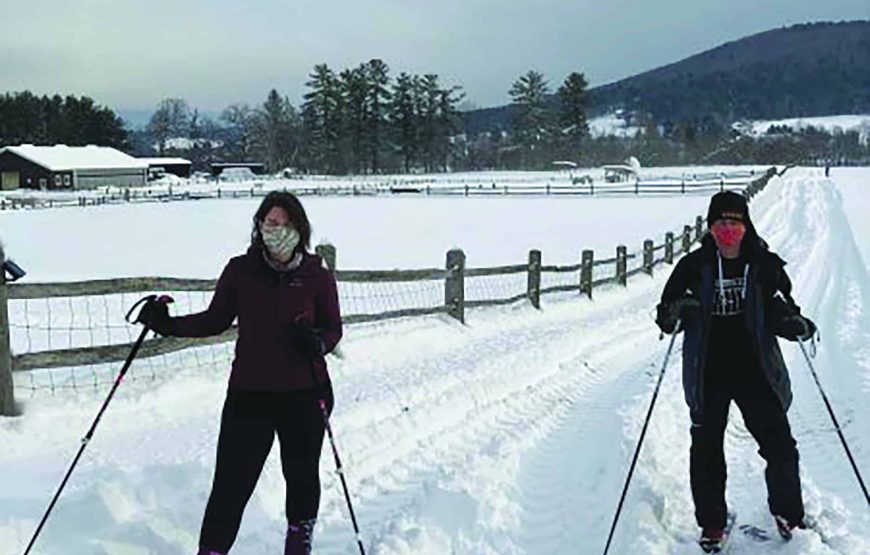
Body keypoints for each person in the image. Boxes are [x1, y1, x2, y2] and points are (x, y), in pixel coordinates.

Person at [137, 191, 342, 555]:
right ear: (259, 225)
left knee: (301, 475)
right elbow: (215, 320)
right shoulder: (241, 270)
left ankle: (299, 542)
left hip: (306, 392)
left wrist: (318, 343)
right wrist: (166, 325)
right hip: (250, 393)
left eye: (283, 223)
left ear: (299, 228)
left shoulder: (316, 275)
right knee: (231, 483)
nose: (274, 229)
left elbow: (332, 329)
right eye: (269, 222)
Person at [655, 191, 816, 553]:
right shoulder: (693, 267)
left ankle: (789, 514)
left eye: (734, 222)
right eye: (720, 223)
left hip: (755, 367)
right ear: (710, 227)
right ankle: (712, 523)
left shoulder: (765, 264)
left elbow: (783, 306)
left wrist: (795, 323)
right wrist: (678, 310)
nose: (727, 229)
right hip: (707, 369)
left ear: (746, 225)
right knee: (707, 446)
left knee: (779, 444)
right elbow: (665, 315)